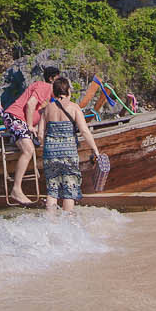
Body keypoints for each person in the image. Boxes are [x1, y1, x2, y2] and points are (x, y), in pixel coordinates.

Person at [31, 74, 101, 213]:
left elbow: (40, 134)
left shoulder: (47, 109)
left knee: (52, 189)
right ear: (67, 91)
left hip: (50, 153)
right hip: (69, 152)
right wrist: (95, 150)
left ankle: (50, 222)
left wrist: (47, 146)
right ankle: (67, 222)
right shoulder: (74, 108)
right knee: (69, 188)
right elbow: (84, 131)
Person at [2, 65, 58, 205]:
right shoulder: (45, 87)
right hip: (15, 117)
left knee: (31, 146)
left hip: (20, 121)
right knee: (28, 149)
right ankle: (16, 189)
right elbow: (30, 104)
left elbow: (42, 117)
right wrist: (29, 126)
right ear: (51, 79)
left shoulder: (50, 97)